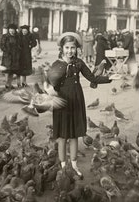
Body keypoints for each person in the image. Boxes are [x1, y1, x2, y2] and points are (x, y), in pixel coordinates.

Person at [47, 32, 112, 179]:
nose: (70, 51)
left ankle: (74, 165)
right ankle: (64, 166)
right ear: (62, 48)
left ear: (76, 49)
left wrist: (109, 78)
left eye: (73, 48)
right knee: (63, 136)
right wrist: (49, 91)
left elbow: (92, 77)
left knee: (75, 135)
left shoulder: (79, 63)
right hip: (62, 101)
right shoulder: (56, 64)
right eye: (67, 47)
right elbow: (50, 84)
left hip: (76, 100)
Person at [0, 24, 22, 90]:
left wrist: (18, 50)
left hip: (15, 56)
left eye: (13, 30)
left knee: (12, 70)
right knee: (7, 70)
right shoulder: (5, 36)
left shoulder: (17, 37)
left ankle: (9, 84)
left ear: (15, 30)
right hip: (7, 56)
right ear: (8, 30)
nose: (12, 31)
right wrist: (7, 51)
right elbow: (2, 46)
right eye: (10, 30)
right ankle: (7, 84)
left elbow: (20, 45)